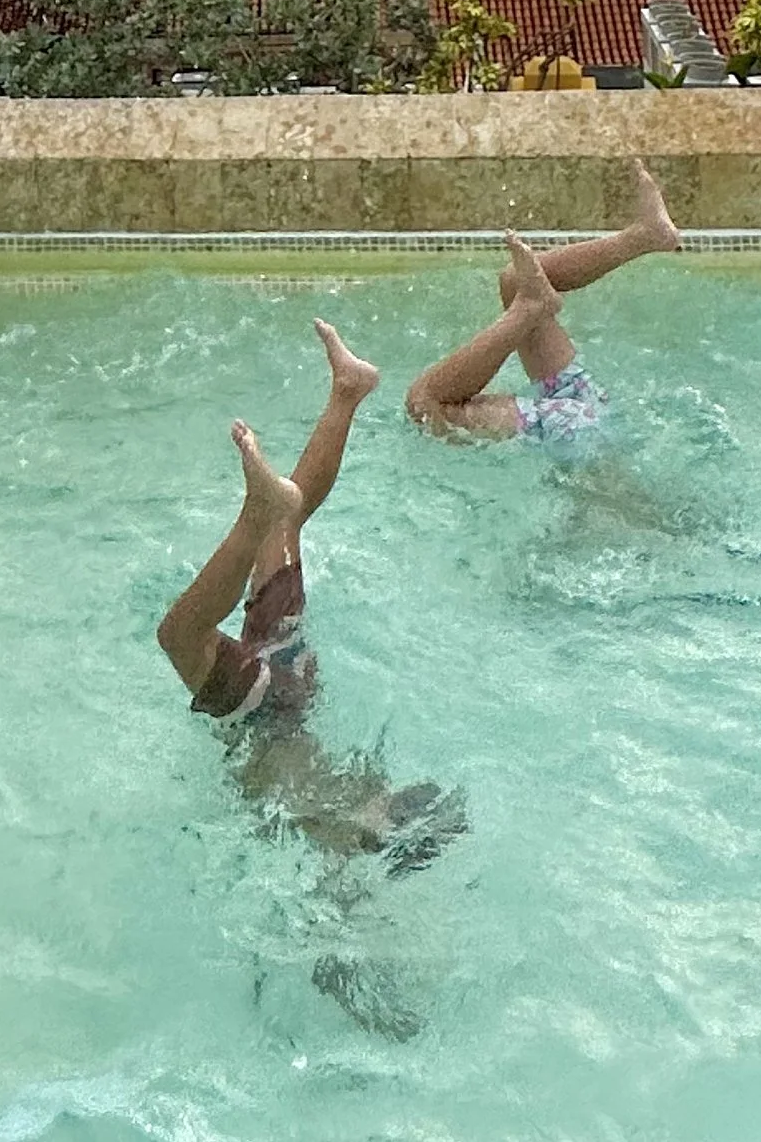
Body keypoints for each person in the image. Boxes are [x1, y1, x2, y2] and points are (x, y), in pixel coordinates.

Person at [155, 319, 462, 875]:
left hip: (278, 694)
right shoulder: (340, 826)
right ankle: (263, 507)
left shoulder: (343, 812)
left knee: (278, 533)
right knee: (182, 633)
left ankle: (346, 394)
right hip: (263, 713)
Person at [403, 159, 681, 448]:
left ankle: (531, 307)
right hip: (584, 420)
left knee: (426, 405)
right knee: (516, 281)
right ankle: (646, 235)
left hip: (580, 434)